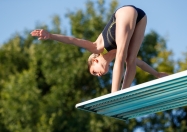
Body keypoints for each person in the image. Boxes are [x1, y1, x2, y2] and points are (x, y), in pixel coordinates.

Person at [31, 5, 168, 93]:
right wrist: (156, 74)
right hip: (141, 18)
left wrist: (50, 35)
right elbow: (142, 64)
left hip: (124, 12)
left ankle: (116, 94)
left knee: (123, 56)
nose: (98, 75)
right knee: (130, 60)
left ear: (95, 60)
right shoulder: (115, 55)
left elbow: (74, 41)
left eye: (94, 72)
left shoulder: (97, 48)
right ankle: (123, 93)